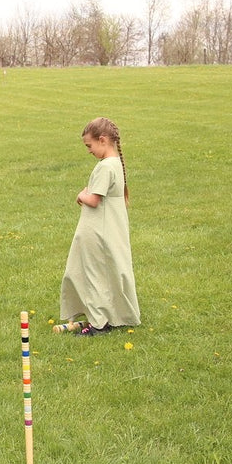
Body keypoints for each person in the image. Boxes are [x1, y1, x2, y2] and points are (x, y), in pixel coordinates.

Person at [60, 117, 140, 333]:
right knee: (106, 272)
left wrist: (81, 195)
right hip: (108, 229)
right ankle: (111, 315)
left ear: (103, 140)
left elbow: (94, 200)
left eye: (89, 146)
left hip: (97, 231)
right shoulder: (115, 164)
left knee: (93, 274)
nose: (89, 151)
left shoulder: (105, 166)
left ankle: (98, 323)